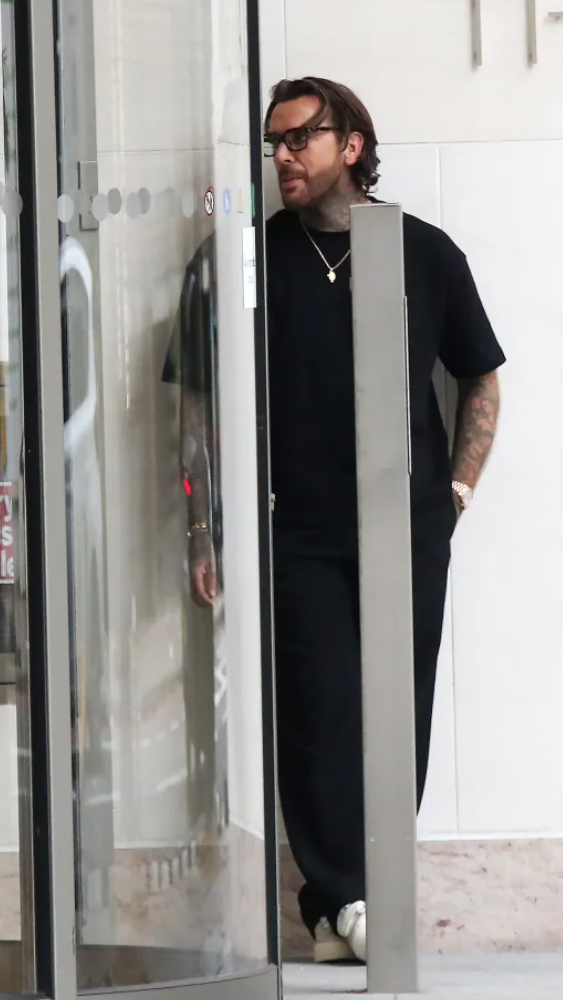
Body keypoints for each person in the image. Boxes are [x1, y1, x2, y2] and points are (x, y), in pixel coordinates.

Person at [259, 77, 504, 963]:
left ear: (350, 144)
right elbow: (200, 394)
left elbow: (480, 376)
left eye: (298, 138)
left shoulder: (424, 252)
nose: (283, 157)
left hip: (406, 525)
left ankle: (350, 907)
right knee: (317, 715)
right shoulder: (258, 255)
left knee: (399, 712)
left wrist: (457, 492)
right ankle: (342, 898)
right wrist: (209, 527)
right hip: (298, 531)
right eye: (274, 143)